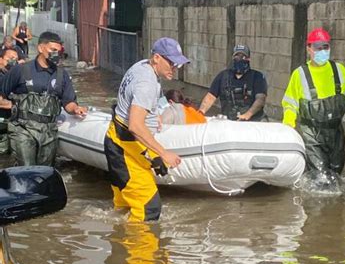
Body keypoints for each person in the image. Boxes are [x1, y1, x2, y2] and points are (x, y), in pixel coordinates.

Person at [104, 37, 187, 222]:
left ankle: (119, 244)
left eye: (178, 64)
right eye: (171, 62)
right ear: (157, 58)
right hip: (123, 148)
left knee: (124, 207)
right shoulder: (147, 82)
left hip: (119, 141)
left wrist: (152, 114)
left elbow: (136, 106)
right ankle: (142, 250)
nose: (174, 68)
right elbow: (135, 125)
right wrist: (163, 153)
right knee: (149, 207)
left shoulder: (142, 66)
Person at [282, 28, 345, 179]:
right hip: (312, 135)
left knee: (335, 176)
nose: (322, 51)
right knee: (321, 178)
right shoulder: (300, 74)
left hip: (336, 133)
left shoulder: (339, 70)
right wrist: (288, 125)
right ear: (309, 49)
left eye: (325, 47)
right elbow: (290, 104)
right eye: (317, 48)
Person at [0, 31, 87, 166]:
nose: (56, 54)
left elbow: (68, 102)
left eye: (59, 51)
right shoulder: (21, 70)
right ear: (40, 48)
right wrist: (14, 106)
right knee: (26, 171)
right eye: (53, 50)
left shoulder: (61, 75)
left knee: (44, 173)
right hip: (23, 129)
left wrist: (76, 109)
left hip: (49, 131)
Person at [198, 44, 268, 121]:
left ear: (249, 59)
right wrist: (201, 112)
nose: (239, 59)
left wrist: (248, 114)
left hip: (252, 122)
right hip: (230, 123)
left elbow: (260, 99)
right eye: (237, 56)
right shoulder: (223, 76)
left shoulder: (257, 77)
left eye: (243, 57)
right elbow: (210, 96)